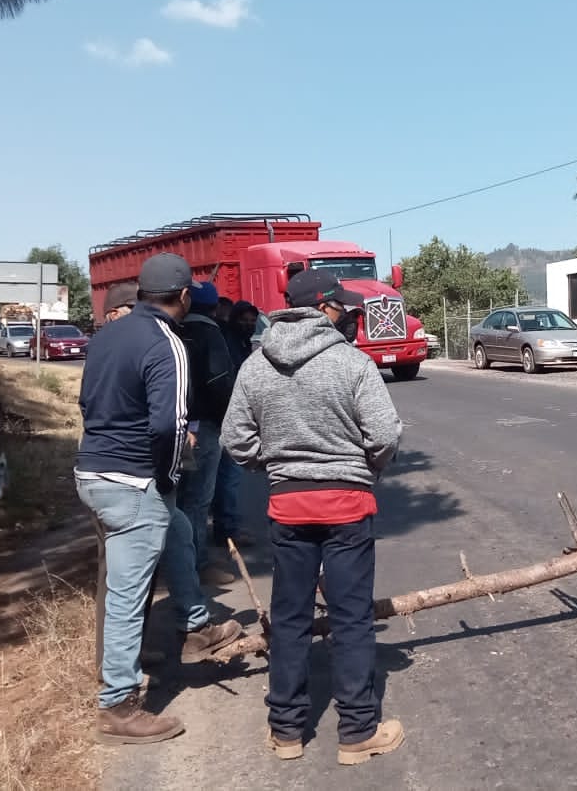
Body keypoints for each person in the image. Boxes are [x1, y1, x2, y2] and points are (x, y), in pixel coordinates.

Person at [223, 268, 406, 765]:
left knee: (288, 619)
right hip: (347, 504)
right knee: (350, 620)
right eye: (340, 305)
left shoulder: (256, 366)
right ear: (323, 308)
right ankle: (357, 734)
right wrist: (363, 467)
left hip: (288, 505)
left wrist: (278, 467)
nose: (346, 313)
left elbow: (235, 441)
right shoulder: (352, 364)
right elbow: (385, 434)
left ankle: (286, 732)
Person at [76, 253, 243, 745]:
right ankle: (118, 705)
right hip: (132, 479)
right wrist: (168, 476)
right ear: (184, 296)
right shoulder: (166, 341)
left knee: (179, 529)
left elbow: (88, 402)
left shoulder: (106, 338)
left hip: (94, 470)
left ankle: (195, 624)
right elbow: (168, 423)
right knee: (129, 594)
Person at [167, 280, 236, 585]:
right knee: (196, 500)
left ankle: (173, 565)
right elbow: (221, 381)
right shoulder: (209, 333)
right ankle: (196, 565)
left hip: (172, 425)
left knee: (176, 497)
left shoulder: (170, 331)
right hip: (204, 427)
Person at [212, 300, 261, 547]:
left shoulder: (239, 342)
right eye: (245, 320)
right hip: (224, 417)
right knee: (228, 477)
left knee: (223, 478)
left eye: (253, 322)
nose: (249, 325)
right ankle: (227, 529)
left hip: (227, 417)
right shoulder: (229, 342)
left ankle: (224, 526)